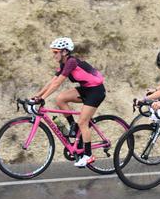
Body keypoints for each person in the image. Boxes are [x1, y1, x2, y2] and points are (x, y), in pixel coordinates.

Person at [33, 37, 106, 167]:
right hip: (86, 89)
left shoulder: (71, 62)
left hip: (96, 91)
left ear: (65, 52)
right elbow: (52, 81)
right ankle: (74, 127)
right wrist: (37, 96)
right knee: (60, 99)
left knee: (83, 121)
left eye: (56, 52)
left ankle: (88, 155)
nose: (53, 55)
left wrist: (43, 98)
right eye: (53, 52)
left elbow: (57, 83)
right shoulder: (64, 64)